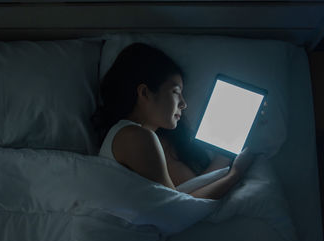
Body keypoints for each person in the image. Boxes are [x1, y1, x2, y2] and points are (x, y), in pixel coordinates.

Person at [91, 42, 255, 200]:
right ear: (145, 93)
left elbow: (182, 196)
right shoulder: (136, 137)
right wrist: (235, 175)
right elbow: (179, 208)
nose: (184, 104)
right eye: (176, 92)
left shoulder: (134, 135)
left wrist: (224, 157)